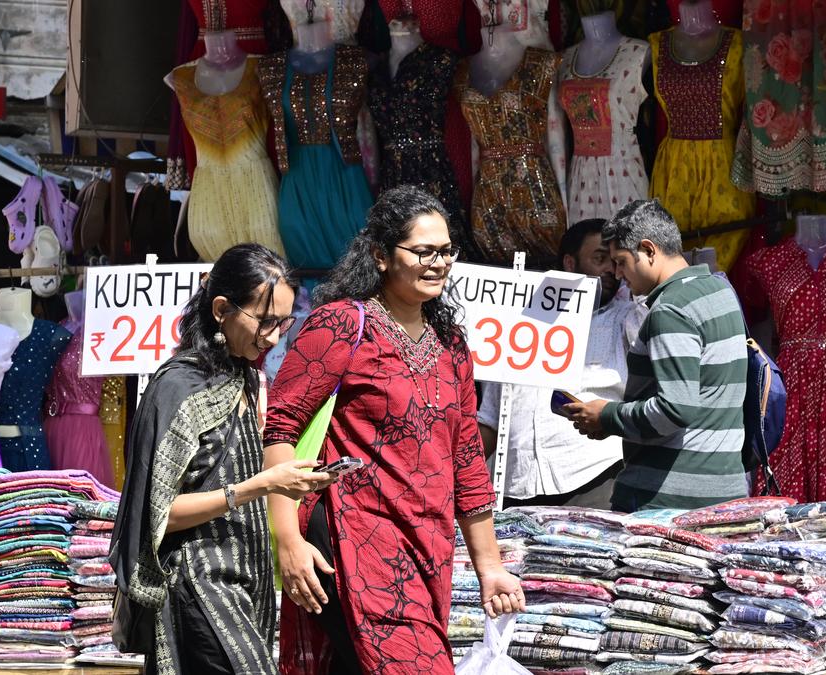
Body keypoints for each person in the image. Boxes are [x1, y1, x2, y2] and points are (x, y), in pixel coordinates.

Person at [265, 185, 524, 675]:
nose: (439, 263)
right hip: (353, 532)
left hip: (428, 544)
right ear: (382, 257)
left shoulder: (451, 346)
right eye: (423, 251)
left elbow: (466, 458)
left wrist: (489, 567)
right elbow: (280, 426)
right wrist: (287, 541)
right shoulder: (342, 325)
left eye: (446, 251)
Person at [110, 244, 335, 675]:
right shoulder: (177, 387)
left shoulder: (248, 378)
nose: (273, 336)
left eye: (283, 323)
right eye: (264, 321)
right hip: (196, 585)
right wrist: (261, 485)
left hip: (246, 580)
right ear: (220, 309)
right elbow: (158, 514)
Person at [565, 199, 749, 512]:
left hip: (670, 501)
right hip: (723, 490)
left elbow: (675, 409)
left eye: (621, 261)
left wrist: (606, 416)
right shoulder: (719, 291)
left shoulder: (671, 310)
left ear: (649, 250)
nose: (618, 273)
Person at [478, 218, 645, 508]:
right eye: (599, 258)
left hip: (595, 480)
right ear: (570, 262)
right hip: (515, 490)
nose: (611, 270)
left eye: (615, 262)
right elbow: (491, 418)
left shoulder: (627, 319)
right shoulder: (517, 325)